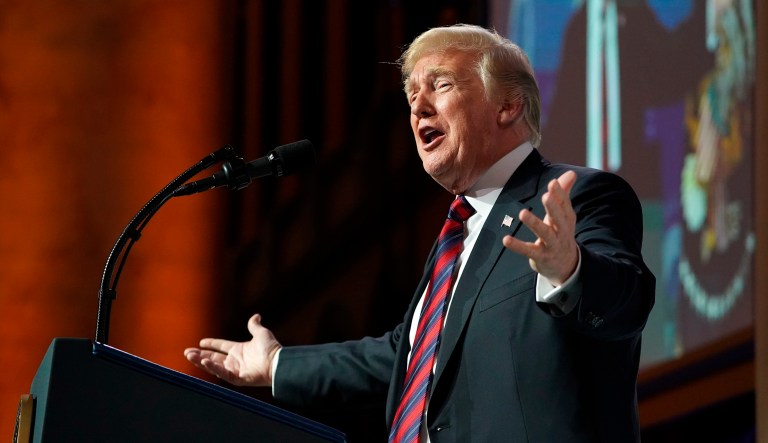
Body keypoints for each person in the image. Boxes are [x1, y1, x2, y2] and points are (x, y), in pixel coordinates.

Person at [185, 24, 655, 442]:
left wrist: (570, 270)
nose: (418, 108)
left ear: (507, 106)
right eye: (411, 96)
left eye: (441, 85)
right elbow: (409, 356)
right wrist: (276, 364)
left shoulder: (580, 196)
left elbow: (628, 303)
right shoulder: (458, 234)